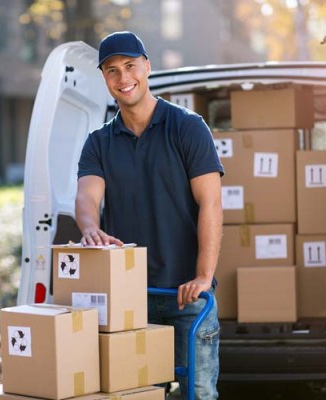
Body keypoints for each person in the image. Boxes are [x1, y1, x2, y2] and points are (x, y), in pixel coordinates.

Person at [75, 31, 224, 400]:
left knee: (199, 393)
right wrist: (91, 229)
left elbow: (212, 203)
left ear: (147, 66)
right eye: (112, 71)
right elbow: (86, 198)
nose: (123, 78)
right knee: (137, 394)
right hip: (130, 298)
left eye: (130, 66)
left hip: (187, 295)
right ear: (104, 78)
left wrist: (203, 277)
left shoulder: (187, 127)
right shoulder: (98, 141)